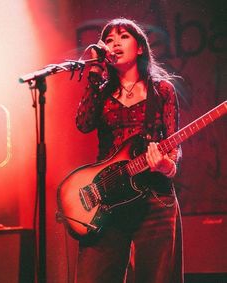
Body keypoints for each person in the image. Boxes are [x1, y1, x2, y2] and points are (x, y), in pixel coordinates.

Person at [75, 18, 183, 283]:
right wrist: (94, 74)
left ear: (140, 48)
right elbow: (83, 124)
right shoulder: (101, 92)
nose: (114, 43)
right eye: (109, 39)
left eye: (122, 36)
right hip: (108, 199)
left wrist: (166, 166)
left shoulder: (162, 90)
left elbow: (173, 146)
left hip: (153, 196)